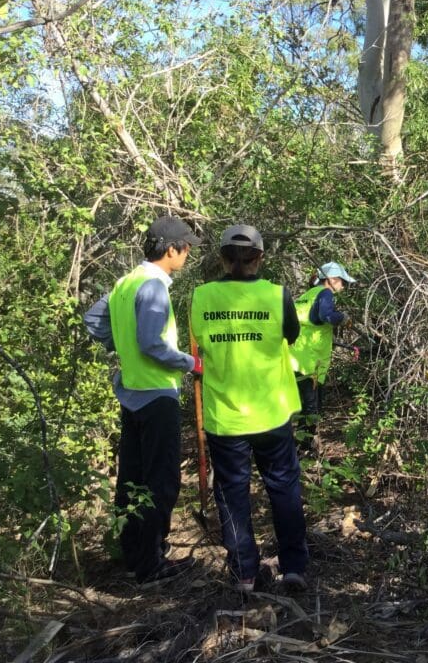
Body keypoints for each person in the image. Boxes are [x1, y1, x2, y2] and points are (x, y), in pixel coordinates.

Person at [190, 224, 309, 592]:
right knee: (283, 489)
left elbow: (202, 342)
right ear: (260, 258)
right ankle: (294, 568)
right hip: (271, 411)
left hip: (225, 416)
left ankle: (244, 574)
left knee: (232, 494)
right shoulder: (277, 295)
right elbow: (291, 335)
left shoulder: (202, 297)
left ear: (222, 259)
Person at [83, 215, 201, 584]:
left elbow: (93, 319)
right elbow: (152, 344)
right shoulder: (153, 286)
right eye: (186, 248)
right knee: (161, 480)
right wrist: (191, 363)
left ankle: (134, 556)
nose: (188, 254)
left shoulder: (126, 282)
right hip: (156, 394)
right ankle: (152, 564)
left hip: (132, 394)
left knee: (132, 478)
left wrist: (120, 345)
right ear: (171, 250)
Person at [288, 262, 356, 448]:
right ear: (331, 280)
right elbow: (326, 316)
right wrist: (342, 317)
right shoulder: (325, 293)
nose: (344, 286)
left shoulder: (306, 296)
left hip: (294, 359)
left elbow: (309, 324)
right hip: (310, 363)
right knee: (312, 408)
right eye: (342, 282)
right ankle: (304, 448)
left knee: (300, 406)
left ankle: (298, 444)